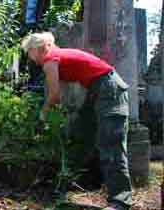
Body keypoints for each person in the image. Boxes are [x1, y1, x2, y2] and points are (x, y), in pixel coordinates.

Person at [21, 32, 132, 210]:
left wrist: (43, 114)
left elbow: (54, 95)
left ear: (38, 49)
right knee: (81, 136)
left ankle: (120, 201)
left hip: (109, 90)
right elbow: (58, 94)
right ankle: (61, 187)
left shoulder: (50, 58)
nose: (31, 59)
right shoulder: (57, 57)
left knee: (111, 142)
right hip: (97, 89)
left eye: (29, 53)